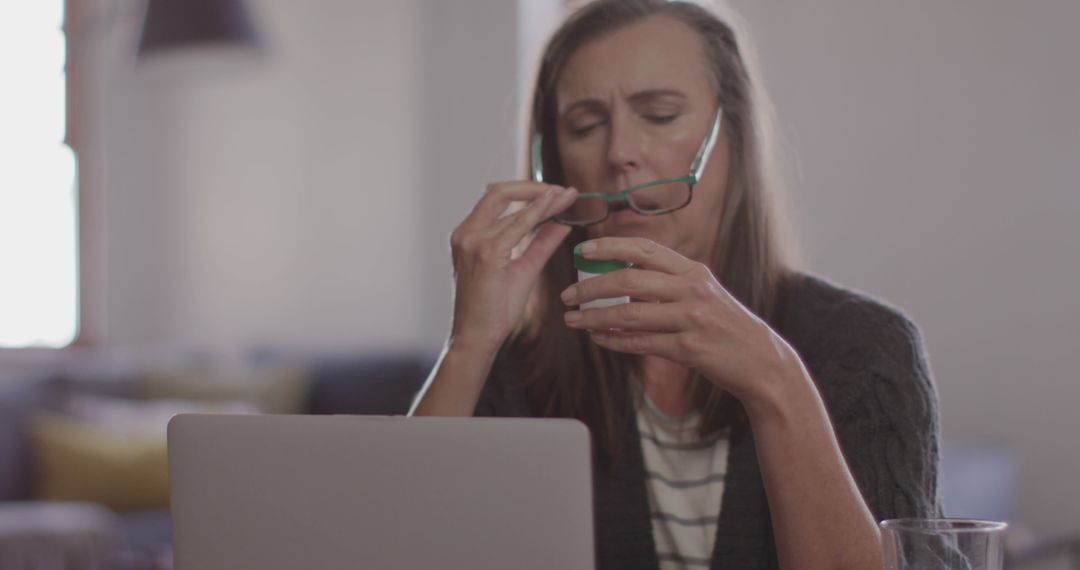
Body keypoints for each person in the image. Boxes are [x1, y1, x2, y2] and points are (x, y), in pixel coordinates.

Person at [410, 1, 940, 569]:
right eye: (585, 125)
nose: (619, 154)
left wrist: (777, 383)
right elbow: (392, 543)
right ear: (554, 161)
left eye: (659, 114)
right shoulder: (517, 368)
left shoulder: (869, 351)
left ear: (732, 135)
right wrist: (469, 344)